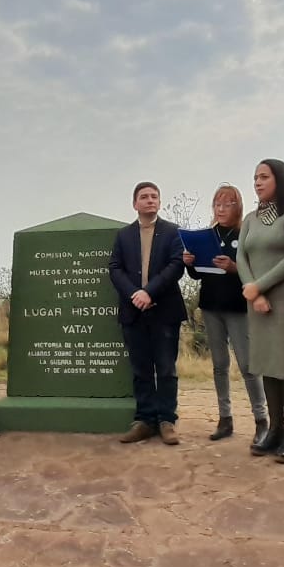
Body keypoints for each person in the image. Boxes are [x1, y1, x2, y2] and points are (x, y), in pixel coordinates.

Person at [183, 183, 269, 443]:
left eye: (227, 204)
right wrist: (190, 263)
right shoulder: (208, 236)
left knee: (247, 365)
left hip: (238, 308)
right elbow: (198, 273)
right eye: (217, 204)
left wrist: (233, 267)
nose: (221, 209)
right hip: (211, 306)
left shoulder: (245, 235)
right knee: (219, 365)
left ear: (238, 207)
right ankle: (225, 418)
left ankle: (261, 419)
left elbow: (255, 274)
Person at [237, 160, 284, 464]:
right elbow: (241, 255)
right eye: (255, 177)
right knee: (267, 364)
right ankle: (274, 431)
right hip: (256, 302)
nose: (258, 182)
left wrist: (260, 286)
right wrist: (252, 290)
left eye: (264, 177)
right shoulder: (250, 220)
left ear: (280, 179)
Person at [109, 181, 186, 445]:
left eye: (154, 196)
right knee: (141, 370)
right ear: (135, 204)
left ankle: (167, 421)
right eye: (144, 197)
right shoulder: (123, 235)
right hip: (133, 312)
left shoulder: (173, 232)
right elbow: (115, 268)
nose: (150, 200)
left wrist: (149, 292)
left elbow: (176, 266)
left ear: (159, 202)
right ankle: (145, 421)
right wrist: (135, 294)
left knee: (166, 370)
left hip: (165, 311)